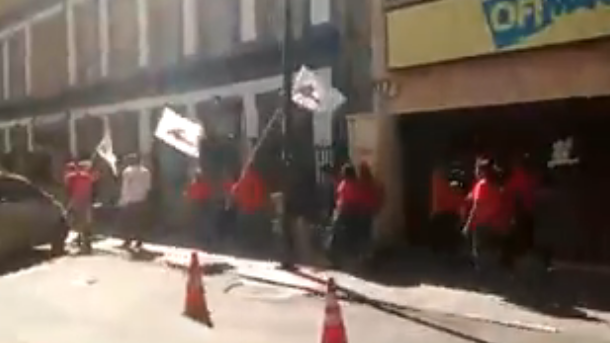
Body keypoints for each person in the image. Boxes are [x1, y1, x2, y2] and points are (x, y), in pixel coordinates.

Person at [462, 158, 512, 270]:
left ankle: (481, 275)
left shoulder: (482, 185)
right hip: (496, 224)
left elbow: (476, 206)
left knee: (479, 252)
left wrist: (467, 225)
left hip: (481, 224)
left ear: (482, 172)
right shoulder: (496, 185)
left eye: (477, 170)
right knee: (492, 251)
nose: (475, 173)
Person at [328, 163, 361, 266]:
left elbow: (344, 199)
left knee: (337, 236)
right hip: (350, 212)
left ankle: (336, 259)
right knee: (346, 237)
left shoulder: (347, 184)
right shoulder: (353, 183)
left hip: (344, 212)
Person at [64, 160, 99, 254]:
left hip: (76, 201)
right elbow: (94, 183)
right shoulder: (88, 177)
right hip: (86, 202)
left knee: (71, 220)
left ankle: (80, 241)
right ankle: (86, 243)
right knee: (86, 224)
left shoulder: (71, 177)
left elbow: (68, 189)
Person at [118, 154, 152, 250]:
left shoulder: (128, 171)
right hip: (141, 199)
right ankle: (139, 241)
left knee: (127, 222)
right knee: (139, 221)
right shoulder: (146, 171)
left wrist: (122, 200)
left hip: (130, 200)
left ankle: (127, 240)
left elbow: (125, 187)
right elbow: (148, 187)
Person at [356, 162, 384, 262]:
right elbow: (380, 192)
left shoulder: (360, 183)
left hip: (363, 210)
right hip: (370, 210)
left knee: (363, 233)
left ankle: (364, 254)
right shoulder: (373, 182)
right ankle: (369, 254)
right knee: (368, 232)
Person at [185, 169, 215, 244]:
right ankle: (201, 237)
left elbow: (208, 194)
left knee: (203, 222)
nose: (198, 177)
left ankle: (205, 238)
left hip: (201, 205)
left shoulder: (199, 185)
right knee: (200, 222)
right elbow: (189, 194)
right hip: (198, 205)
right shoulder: (195, 185)